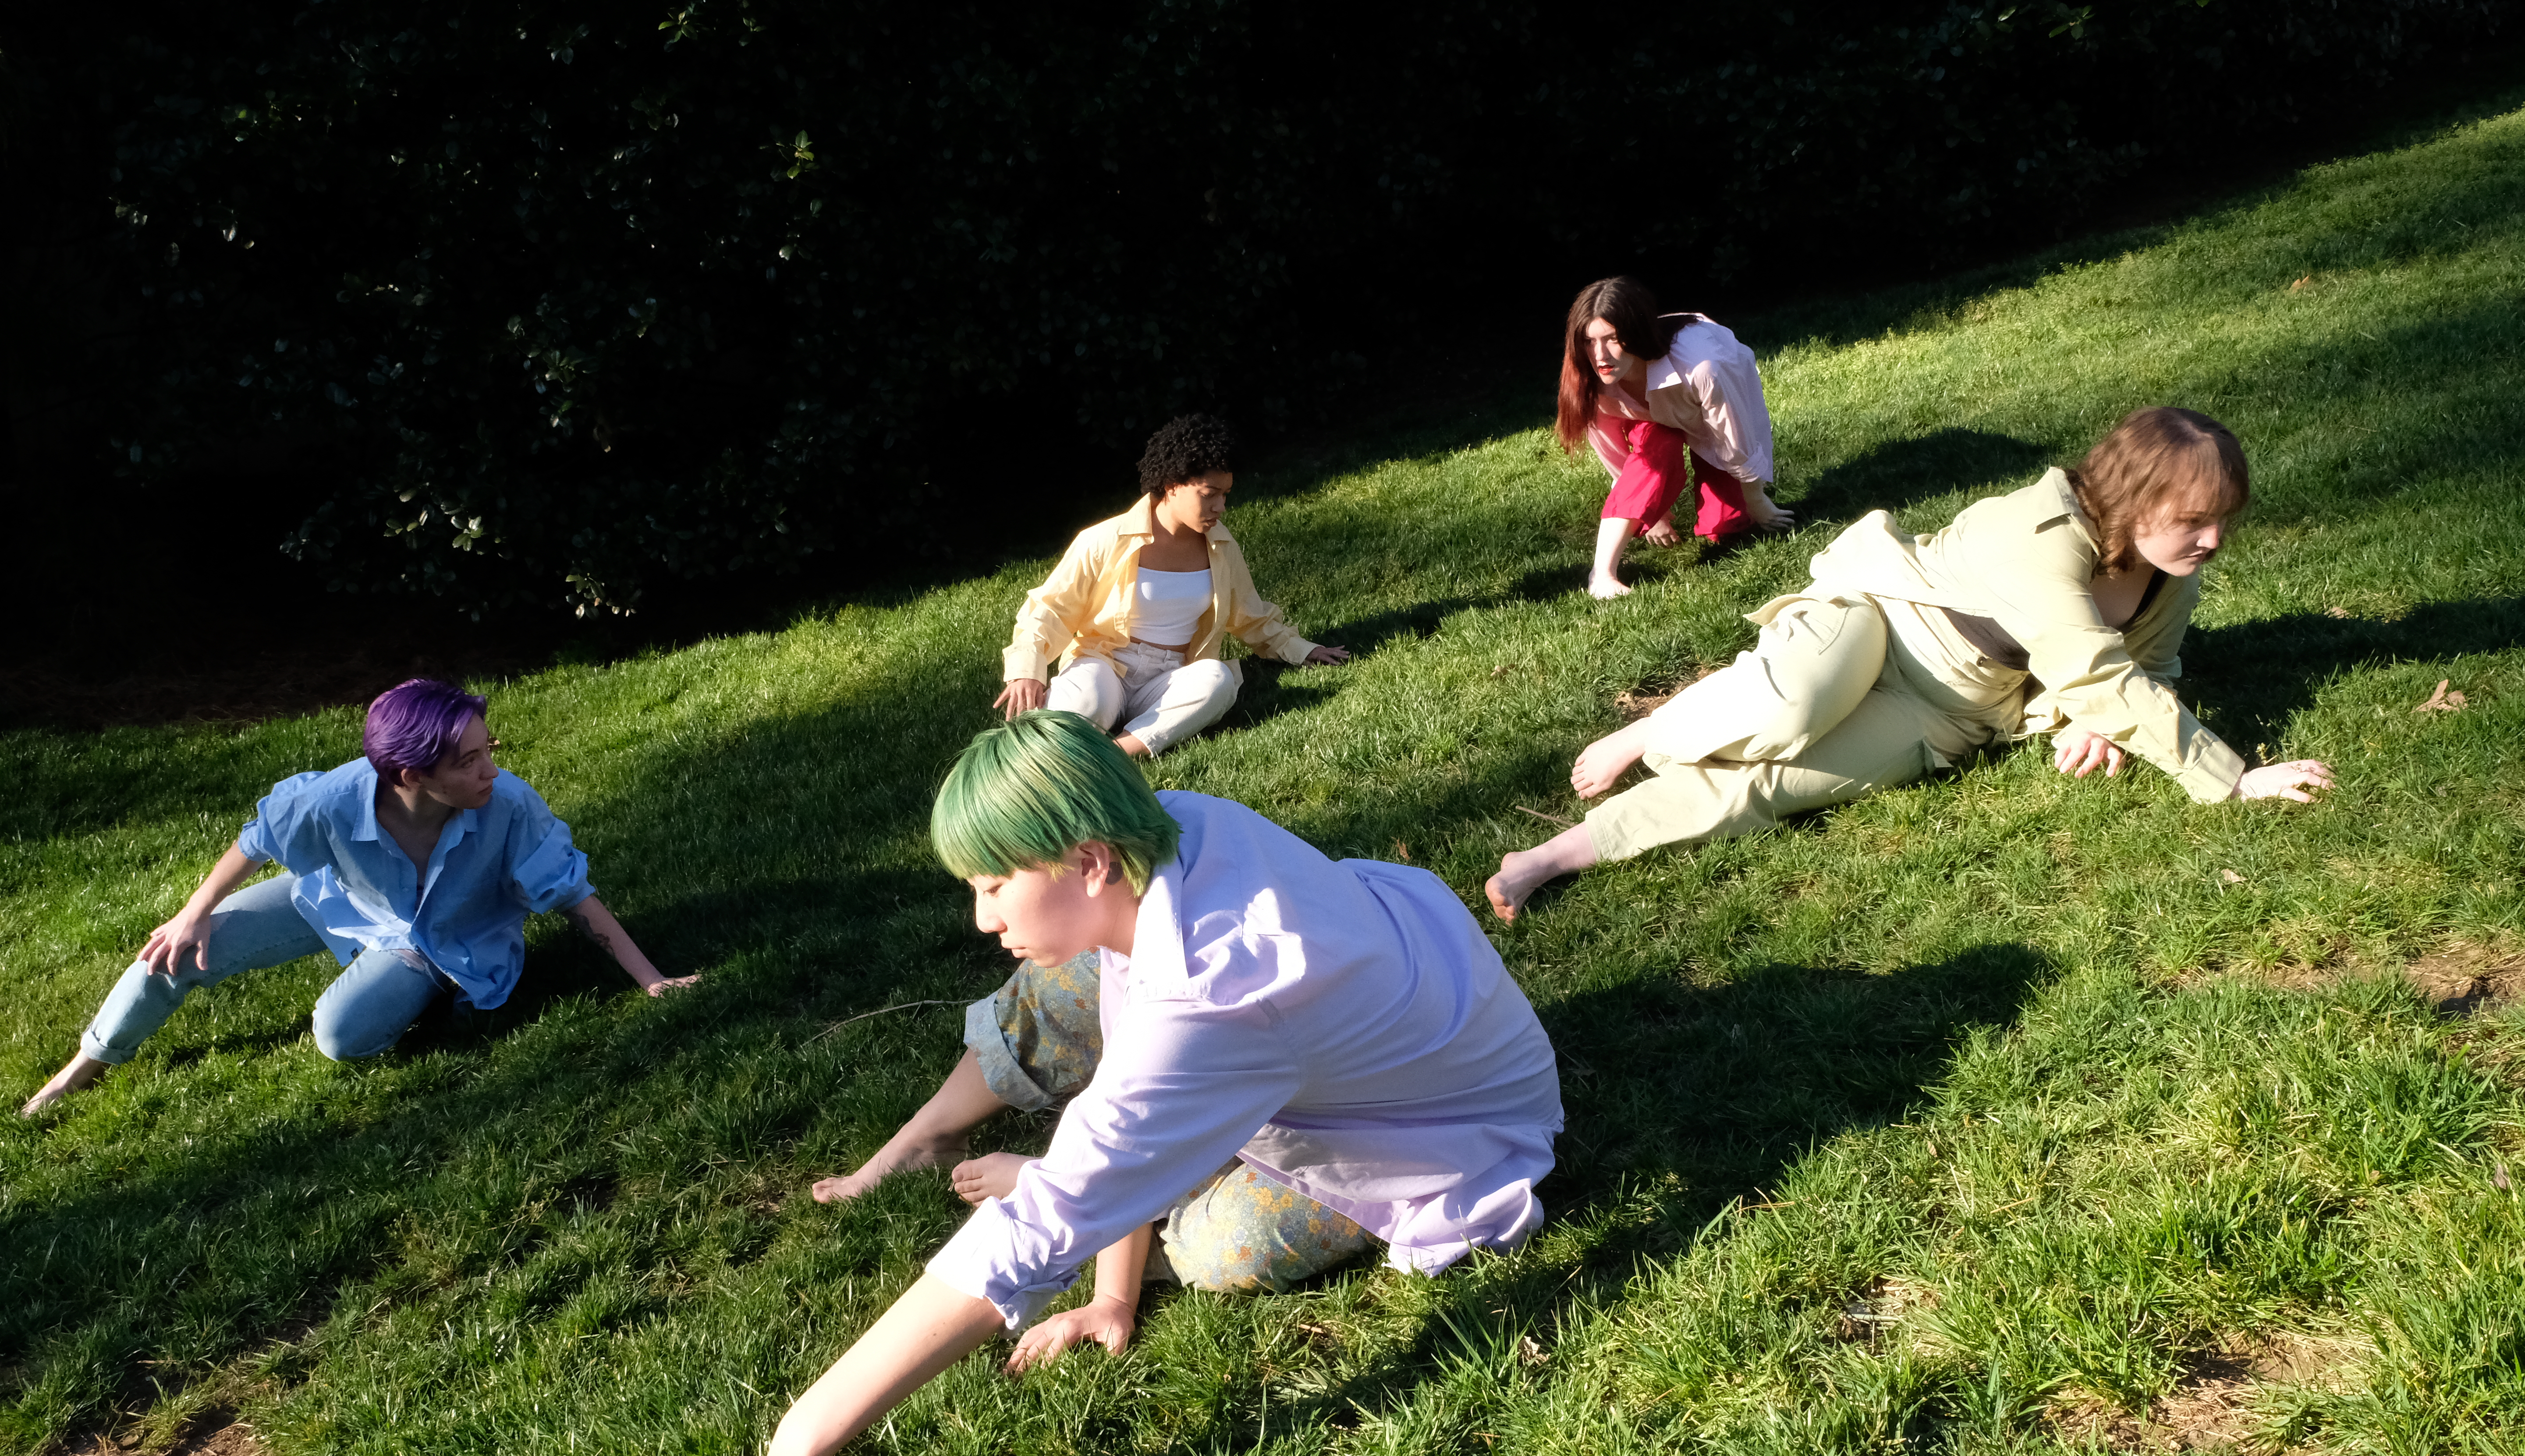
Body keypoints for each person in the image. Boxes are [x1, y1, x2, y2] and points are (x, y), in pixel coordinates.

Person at [773, 712, 1560, 1456]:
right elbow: (1137, 1058)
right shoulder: (1174, 820)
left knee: (1228, 1248)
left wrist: (802, 1436)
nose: (982, 919)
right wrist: (1108, 1288)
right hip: (1408, 985)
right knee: (1062, 978)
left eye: (993, 886)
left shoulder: (1213, 997)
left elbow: (1034, 1231)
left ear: (1088, 861)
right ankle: (933, 1135)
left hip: (1447, 1127)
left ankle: (1108, 1178)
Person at [1487, 407, 2337, 921]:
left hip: (1956, 710)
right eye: (2195, 519)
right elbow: (2093, 669)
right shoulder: (2036, 538)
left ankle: (1554, 855)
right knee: (1786, 709)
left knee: (1774, 783)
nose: (2214, 540)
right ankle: (1659, 725)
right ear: (2137, 499)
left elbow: (2142, 667)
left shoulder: (2172, 571)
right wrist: (2228, 777)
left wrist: (2093, 722)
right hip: (1879, 626)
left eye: (2222, 518)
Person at [19, 678, 695, 1115]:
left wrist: (651, 981)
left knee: (341, 1036)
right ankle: (87, 1064)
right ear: (411, 775)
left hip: (434, 939)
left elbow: (573, 893)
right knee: (169, 953)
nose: (491, 768)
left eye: (490, 749)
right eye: (469, 761)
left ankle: (423, 987)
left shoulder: (508, 803)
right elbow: (256, 842)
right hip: (337, 899)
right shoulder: (333, 800)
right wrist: (191, 916)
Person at [994, 414, 1348, 758]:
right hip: (1105, 665)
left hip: (1170, 676)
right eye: (1210, 494)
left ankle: (1117, 755)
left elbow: (1250, 614)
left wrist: (1302, 649)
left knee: (1218, 681)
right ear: (1171, 485)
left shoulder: (1222, 547)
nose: (1220, 507)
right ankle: (1050, 747)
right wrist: (1027, 671)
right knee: (1086, 701)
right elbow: (1052, 608)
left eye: (1226, 494)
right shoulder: (1104, 540)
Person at [1556, 275, 1797, 599]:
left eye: (1612, 339)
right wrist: (1649, 514)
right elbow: (1619, 460)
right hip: (1653, 420)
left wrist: (1756, 498)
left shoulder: (1704, 367)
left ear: (1635, 333)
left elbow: (1735, 435)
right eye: (1588, 341)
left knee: (1725, 525)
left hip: (1706, 416)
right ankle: (1602, 575)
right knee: (1656, 450)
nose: (1600, 355)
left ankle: (1732, 509)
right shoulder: (1591, 380)